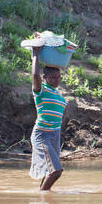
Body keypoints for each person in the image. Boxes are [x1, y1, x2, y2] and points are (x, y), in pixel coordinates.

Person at [29, 45, 67, 191]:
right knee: (56, 171)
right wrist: (35, 54)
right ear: (44, 78)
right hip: (42, 135)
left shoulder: (59, 94)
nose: (56, 80)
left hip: (55, 135)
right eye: (52, 77)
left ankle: (42, 202)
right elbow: (34, 76)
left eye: (58, 77)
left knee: (50, 171)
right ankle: (43, 196)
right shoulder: (41, 91)